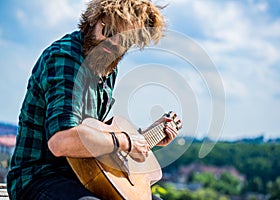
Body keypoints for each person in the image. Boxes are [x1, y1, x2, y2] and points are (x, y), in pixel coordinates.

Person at [7, 0, 181, 199]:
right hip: (39, 180)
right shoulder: (65, 58)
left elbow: (100, 140)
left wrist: (145, 138)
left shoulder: (107, 66)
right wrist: (126, 141)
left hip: (83, 177)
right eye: (109, 30)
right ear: (93, 19)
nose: (113, 43)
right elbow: (61, 142)